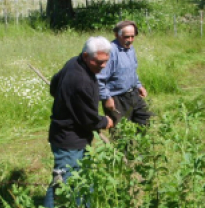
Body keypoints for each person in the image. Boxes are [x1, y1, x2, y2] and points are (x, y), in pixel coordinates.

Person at [44, 36, 114, 208]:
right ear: (85, 56)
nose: (103, 66)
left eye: (106, 61)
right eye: (99, 62)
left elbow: (54, 86)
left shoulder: (73, 62)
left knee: (83, 178)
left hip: (76, 136)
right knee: (62, 182)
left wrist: (65, 101)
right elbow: (88, 119)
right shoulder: (80, 81)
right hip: (69, 139)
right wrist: (105, 121)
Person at [96, 20, 154, 132]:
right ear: (117, 35)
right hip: (116, 98)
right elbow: (99, 79)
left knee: (144, 119)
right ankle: (122, 150)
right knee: (121, 132)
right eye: (127, 37)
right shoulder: (110, 51)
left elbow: (132, 70)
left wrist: (138, 85)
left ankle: (141, 147)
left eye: (133, 36)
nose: (130, 40)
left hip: (133, 93)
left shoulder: (130, 49)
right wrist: (106, 98)